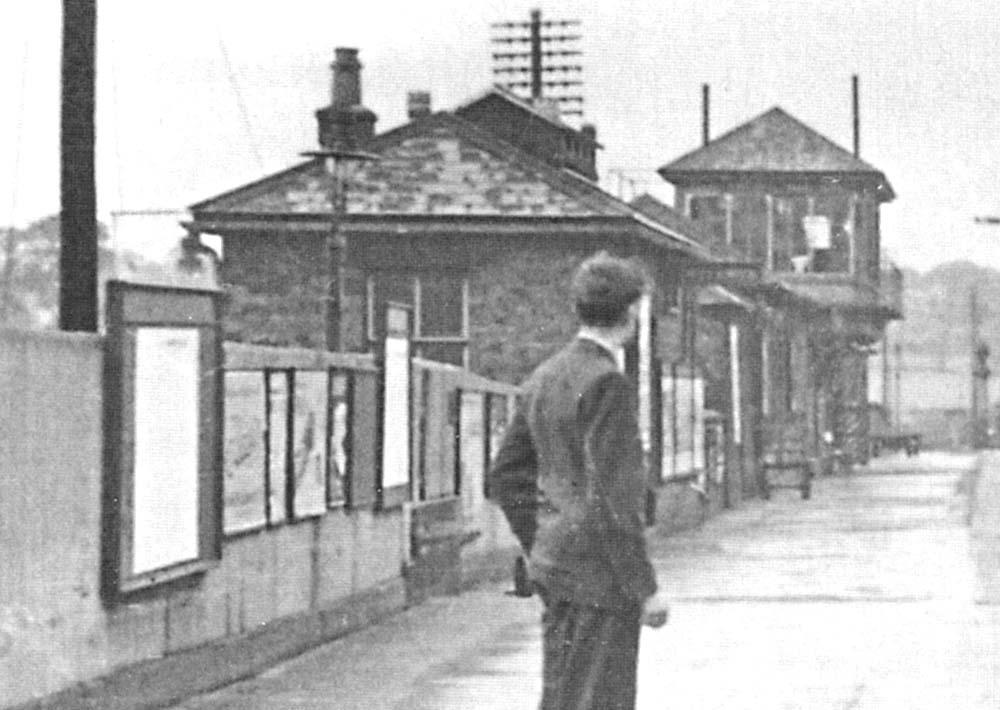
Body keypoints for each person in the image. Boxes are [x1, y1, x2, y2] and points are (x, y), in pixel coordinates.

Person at [487, 251, 670, 710]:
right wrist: (643, 587)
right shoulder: (608, 383)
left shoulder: (543, 377)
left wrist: (542, 543)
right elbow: (614, 498)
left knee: (565, 699)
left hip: (556, 570)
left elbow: (506, 476)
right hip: (602, 578)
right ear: (631, 313)